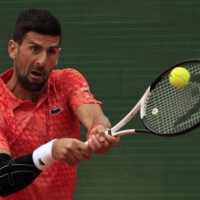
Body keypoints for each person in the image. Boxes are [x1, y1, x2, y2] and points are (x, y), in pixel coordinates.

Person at [0, 8, 119, 200]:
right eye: (35, 49)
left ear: (58, 55)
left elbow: (95, 116)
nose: (42, 61)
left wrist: (98, 130)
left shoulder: (66, 81)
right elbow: (1, 178)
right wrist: (50, 150)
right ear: (13, 49)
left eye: (51, 52)